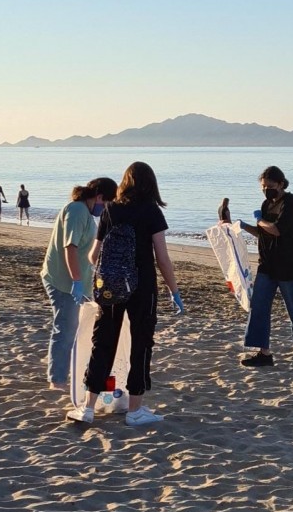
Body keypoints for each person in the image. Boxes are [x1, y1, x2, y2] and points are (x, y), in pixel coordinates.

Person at [67, 162, 185, 426]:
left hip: (110, 287)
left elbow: (93, 255)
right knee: (141, 344)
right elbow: (163, 259)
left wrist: (108, 270)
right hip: (142, 287)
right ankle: (135, 410)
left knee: (103, 342)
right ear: (151, 184)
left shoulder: (111, 209)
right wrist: (174, 291)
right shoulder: (151, 211)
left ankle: (87, 408)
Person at [41, 177, 118, 391]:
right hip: (63, 281)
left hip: (78, 282)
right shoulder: (77, 211)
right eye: (108, 204)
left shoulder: (84, 211)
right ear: (100, 197)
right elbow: (70, 248)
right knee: (65, 329)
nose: (106, 209)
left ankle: (67, 371)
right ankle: (57, 380)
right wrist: (75, 281)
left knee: (76, 330)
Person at [237, 166, 293, 366]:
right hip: (268, 264)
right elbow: (262, 232)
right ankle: (263, 352)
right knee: (259, 306)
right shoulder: (266, 204)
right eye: (263, 187)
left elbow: (275, 230)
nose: (266, 190)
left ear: (281, 184)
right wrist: (241, 226)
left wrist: (258, 220)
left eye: (270, 186)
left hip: (289, 265)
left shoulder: (292, 202)